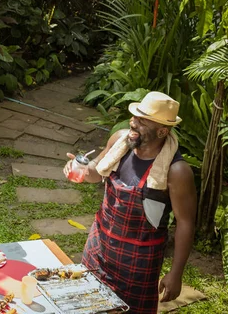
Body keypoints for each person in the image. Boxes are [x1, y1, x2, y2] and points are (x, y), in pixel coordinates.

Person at [63, 91, 196, 314]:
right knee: (86, 305)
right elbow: (97, 169)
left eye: (142, 121)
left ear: (162, 131)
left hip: (138, 263)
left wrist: (176, 273)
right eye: (135, 117)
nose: (133, 122)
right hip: (99, 246)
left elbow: (185, 223)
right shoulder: (120, 140)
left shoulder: (177, 172)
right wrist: (82, 171)